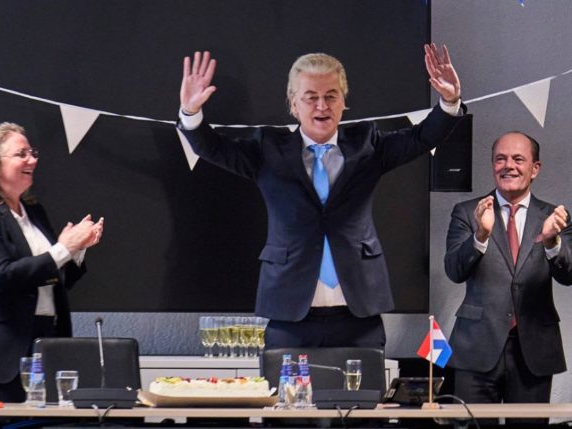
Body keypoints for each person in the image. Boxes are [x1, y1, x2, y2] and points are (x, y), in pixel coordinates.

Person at [177, 45, 465, 349]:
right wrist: (191, 113)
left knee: (363, 395)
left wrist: (449, 101)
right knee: (286, 397)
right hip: (289, 315)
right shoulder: (268, 149)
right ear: (294, 104)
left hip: (359, 316)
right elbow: (212, 148)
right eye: (310, 97)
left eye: (331, 96)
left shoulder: (367, 144)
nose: (321, 106)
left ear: (343, 102)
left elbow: (423, 137)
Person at [0, 122, 104, 403]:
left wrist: (76, 250)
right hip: (0, 352)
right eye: (21, 154)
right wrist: (63, 248)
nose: (32, 160)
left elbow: (52, 282)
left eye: (32, 153)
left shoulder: (34, 212)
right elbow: (0, 276)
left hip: (45, 342)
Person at [444, 131, 572, 406]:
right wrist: (480, 234)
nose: (508, 166)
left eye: (518, 159)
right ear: (492, 165)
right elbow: (454, 271)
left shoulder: (556, 216)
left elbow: (568, 275)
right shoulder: (467, 212)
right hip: (475, 349)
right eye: (500, 159)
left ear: (535, 168)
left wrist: (551, 241)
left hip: (535, 349)